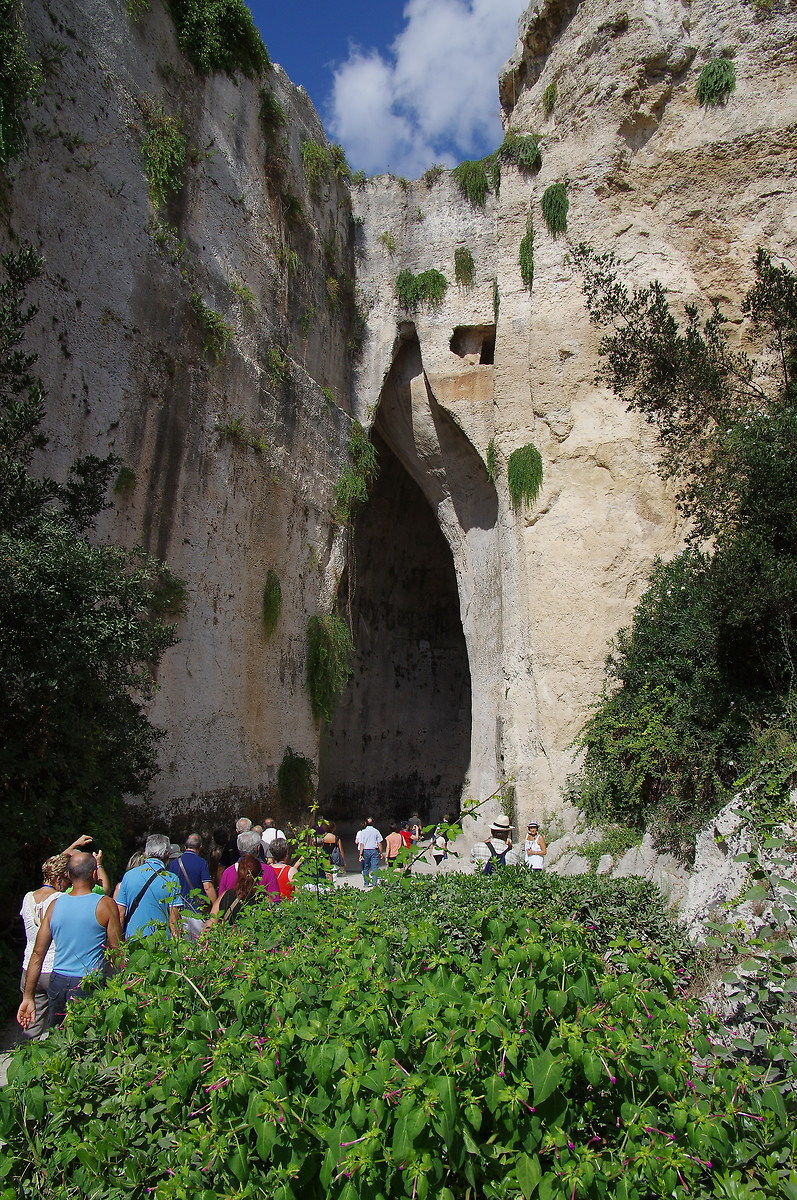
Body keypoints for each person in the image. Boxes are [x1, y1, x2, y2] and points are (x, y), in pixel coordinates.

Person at [17, 852, 123, 1031]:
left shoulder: (55, 905)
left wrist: (28, 997)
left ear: (68, 874)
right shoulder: (105, 904)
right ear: (94, 874)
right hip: (88, 982)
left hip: (58, 981)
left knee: (59, 1038)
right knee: (87, 1038)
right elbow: (117, 950)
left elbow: (37, 953)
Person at [18, 854, 70, 1038]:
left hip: (29, 968)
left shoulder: (28, 897)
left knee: (31, 1021)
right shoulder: (62, 899)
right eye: (67, 880)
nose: (68, 885)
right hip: (54, 968)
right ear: (59, 879)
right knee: (60, 1025)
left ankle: (28, 1052)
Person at [115, 833, 184, 938]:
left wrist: (118, 943)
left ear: (146, 852)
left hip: (132, 940)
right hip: (160, 942)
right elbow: (174, 920)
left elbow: (120, 914)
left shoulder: (129, 876)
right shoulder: (171, 879)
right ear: (166, 854)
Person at [170, 834, 217, 939]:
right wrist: (215, 906)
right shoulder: (202, 863)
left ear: (185, 846)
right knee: (199, 942)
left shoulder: (174, 863)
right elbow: (208, 887)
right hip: (196, 910)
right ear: (200, 847)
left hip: (179, 910)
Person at [218, 831, 281, 901]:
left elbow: (221, 901)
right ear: (258, 848)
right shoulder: (267, 871)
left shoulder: (228, 872)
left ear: (239, 848)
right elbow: (275, 900)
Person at [205, 855, 265, 927]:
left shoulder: (226, 895)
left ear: (238, 873)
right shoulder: (263, 900)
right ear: (259, 876)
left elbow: (210, 924)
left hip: (228, 933)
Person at [355, 818, 384, 887]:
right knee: (375, 867)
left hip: (365, 851)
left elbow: (361, 844)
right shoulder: (376, 831)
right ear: (373, 823)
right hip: (374, 850)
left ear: (366, 823)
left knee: (365, 868)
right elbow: (379, 843)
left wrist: (360, 854)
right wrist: (381, 852)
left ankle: (366, 883)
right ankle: (374, 883)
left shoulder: (363, 832)